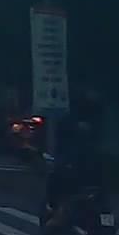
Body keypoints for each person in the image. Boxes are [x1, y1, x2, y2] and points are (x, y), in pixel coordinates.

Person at [44, 88, 106, 227]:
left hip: (81, 164)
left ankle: (58, 211)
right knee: (57, 178)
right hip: (79, 162)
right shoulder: (81, 120)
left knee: (58, 177)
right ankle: (56, 210)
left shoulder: (91, 121)